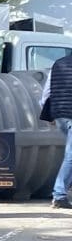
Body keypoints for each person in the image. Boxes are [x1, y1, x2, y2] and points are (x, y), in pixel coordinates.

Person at [41, 49, 72, 208]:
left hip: (59, 114)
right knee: (71, 156)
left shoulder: (58, 63)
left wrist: (47, 113)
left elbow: (47, 90)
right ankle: (59, 195)